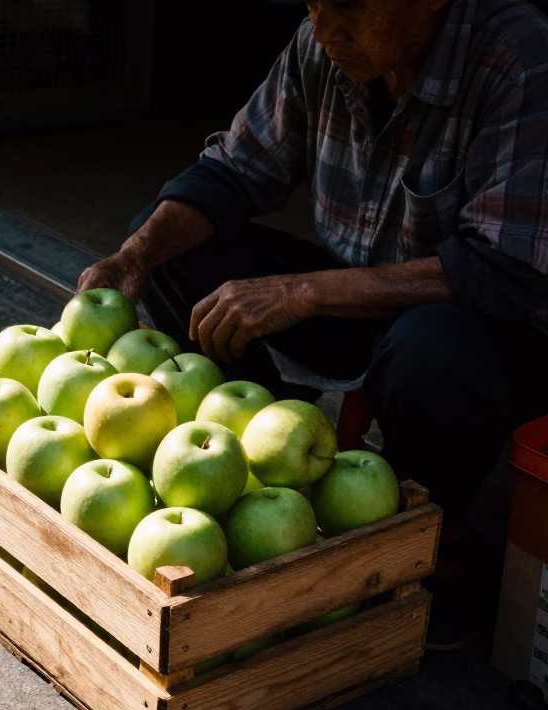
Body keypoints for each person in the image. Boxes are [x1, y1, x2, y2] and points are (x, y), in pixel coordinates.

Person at [77, 0, 548, 650]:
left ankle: (419, 536)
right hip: (353, 297)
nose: (325, 28)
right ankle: (258, 476)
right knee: (166, 246)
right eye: (314, 3)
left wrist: (301, 291)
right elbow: (233, 171)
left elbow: (502, 271)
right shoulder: (320, 46)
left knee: (432, 352)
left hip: (478, 329)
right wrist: (134, 257)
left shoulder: (516, 55)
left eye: (350, 6)